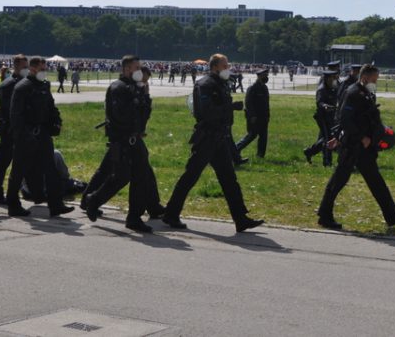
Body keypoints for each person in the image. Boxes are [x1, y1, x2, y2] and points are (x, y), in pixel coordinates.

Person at [162, 54, 264, 232]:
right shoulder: (205, 85)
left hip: (219, 138)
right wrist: (230, 107)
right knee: (190, 176)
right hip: (207, 137)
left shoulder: (221, 84)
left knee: (229, 179)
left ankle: (240, 218)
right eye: (225, 65)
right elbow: (205, 112)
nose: (228, 68)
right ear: (215, 67)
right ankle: (171, 213)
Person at [317, 64, 395, 230]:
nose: (376, 82)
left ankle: (392, 215)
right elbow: (345, 118)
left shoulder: (366, 93)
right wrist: (361, 137)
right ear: (365, 77)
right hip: (353, 146)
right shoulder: (353, 92)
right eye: (374, 79)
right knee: (338, 180)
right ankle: (324, 215)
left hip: (365, 148)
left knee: (376, 181)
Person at [82, 55, 154, 232]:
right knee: (121, 177)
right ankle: (94, 199)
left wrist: (144, 98)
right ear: (127, 69)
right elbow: (120, 115)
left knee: (141, 177)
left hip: (135, 139)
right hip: (121, 140)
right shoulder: (118, 88)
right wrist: (137, 102)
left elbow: (144, 115)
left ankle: (134, 218)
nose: (139, 71)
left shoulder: (136, 88)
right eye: (137, 67)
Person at [6, 57, 74, 217]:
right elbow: (16, 115)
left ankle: (56, 204)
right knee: (18, 171)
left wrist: (57, 121)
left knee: (51, 170)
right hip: (26, 135)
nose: (45, 71)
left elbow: (51, 107)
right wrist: (22, 135)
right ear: (32, 69)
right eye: (42, 69)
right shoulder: (22, 87)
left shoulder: (44, 86)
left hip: (42, 134)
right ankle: (13, 204)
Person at [0, 54, 28, 205]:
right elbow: (6, 109)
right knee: (2, 162)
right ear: (16, 66)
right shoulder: (8, 84)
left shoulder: (26, 82)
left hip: (23, 130)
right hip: (10, 129)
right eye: (24, 67)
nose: (26, 69)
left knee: (20, 164)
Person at [304, 70, 338, 166]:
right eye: (332, 78)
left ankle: (309, 151)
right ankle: (327, 162)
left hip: (331, 116)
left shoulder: (333, 87)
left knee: (326, 138)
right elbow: (319, 102)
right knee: (328, 139)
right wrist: (325, 106)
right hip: (323, 117)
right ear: (327, 79)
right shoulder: (321, 89)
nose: (334, 80)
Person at [236, 69, 270, 159]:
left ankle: (260, 155)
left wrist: (268, 115)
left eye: (267, 75)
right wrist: (252, 115)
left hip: (264, 117)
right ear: (259, 76)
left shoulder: (265, 88)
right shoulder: (252, 88)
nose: (266, 77)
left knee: (264, 137)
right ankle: (235, 149)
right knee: (251, 135)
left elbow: (266, 103)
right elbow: (248, 103)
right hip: (254, 117)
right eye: (264, 75)